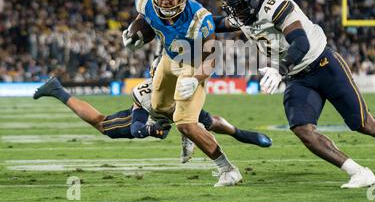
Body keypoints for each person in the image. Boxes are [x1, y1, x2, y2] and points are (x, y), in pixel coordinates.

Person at [219, 0, 375, 188]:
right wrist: (188, 17)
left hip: (323, 65)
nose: (236, 13)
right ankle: (358, 172)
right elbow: (217, 23)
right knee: (302, 129)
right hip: (298, 78)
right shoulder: (245, 17)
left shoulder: (275, 5)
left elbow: (301, 42)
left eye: (239, 6)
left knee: (364, 124)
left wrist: (280, 69)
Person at [122, 0, 242, 186]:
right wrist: (133, 32)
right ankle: (190, 131)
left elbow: (212, 58)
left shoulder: (199, 19)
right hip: (169, 58)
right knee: (157, 107)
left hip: (194, 63)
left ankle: (228, 169)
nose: (165, 3)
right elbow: (144, 18)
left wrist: (196, 79)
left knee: (184, 122)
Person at [33, 76, 272, 163]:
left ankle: (243, 134)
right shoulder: (145, 94)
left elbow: (208, 119)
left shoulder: (182, 85)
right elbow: (138, 126)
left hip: (174, 115)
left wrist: (240, 135)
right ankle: (57, 90)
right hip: (149, 118)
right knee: (102, 124)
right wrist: (151, 130)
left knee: (210, 122)